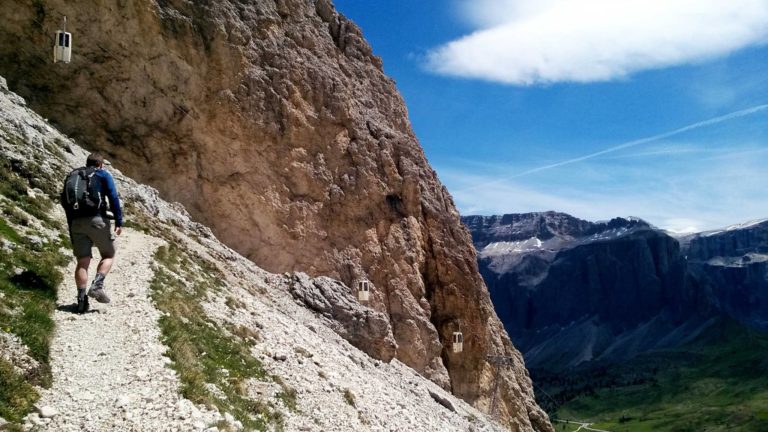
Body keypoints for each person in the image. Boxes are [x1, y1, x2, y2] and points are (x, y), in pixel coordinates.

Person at [62, 152, 123, 312]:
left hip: (76, 222)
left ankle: (81, 301)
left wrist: (71, 225)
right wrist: (118, 221)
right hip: (97, 220)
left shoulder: (73, 175)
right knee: (108, 254)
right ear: (100, 164)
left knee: (83, 261)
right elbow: (113, 197)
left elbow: (65, 202)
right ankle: (97, 286)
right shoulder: (102, 174)